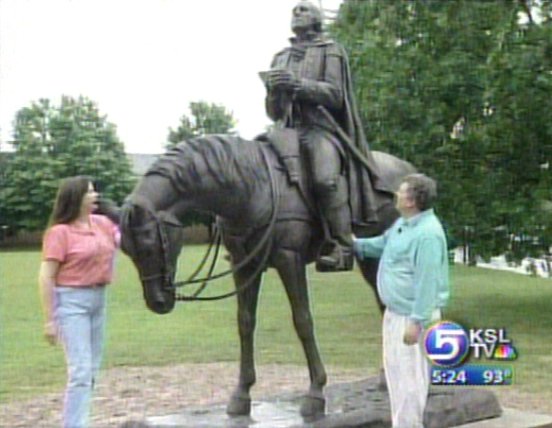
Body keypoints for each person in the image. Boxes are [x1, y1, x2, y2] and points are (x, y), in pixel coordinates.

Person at [262, 0, 392, 271]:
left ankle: (342, 247)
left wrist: (297, 85)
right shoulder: (280, 57)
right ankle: (255, 241)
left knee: (325, 180)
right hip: (285, 130)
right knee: (252, 170)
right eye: (294, 11)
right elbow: (273, 113)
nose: (297, 13)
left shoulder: (330, 51)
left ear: (317, 19)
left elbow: (335, 94)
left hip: (319, 130)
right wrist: (274, 92)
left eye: (304, 9)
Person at [353, 174, 449, 428]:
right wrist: (353, 245)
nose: (396, 195)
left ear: (412, 201)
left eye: (401, 192)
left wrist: (417, 322)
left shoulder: (427, 234)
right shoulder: (403, 225)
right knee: (396, 377)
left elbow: (427, 283)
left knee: (410, 381)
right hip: (395, 313)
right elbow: (381, 244)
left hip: (411, 317)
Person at [39, 176, 119, 428]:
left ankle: (79, 421)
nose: (95, 196)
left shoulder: (103, 224)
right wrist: (50, 320)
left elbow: (128, 237)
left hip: (99, 300)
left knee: (91, 370)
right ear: (76, 198)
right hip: (71, 302)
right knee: (81, 371)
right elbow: (46, 276)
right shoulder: (59, 233)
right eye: (90, 192)